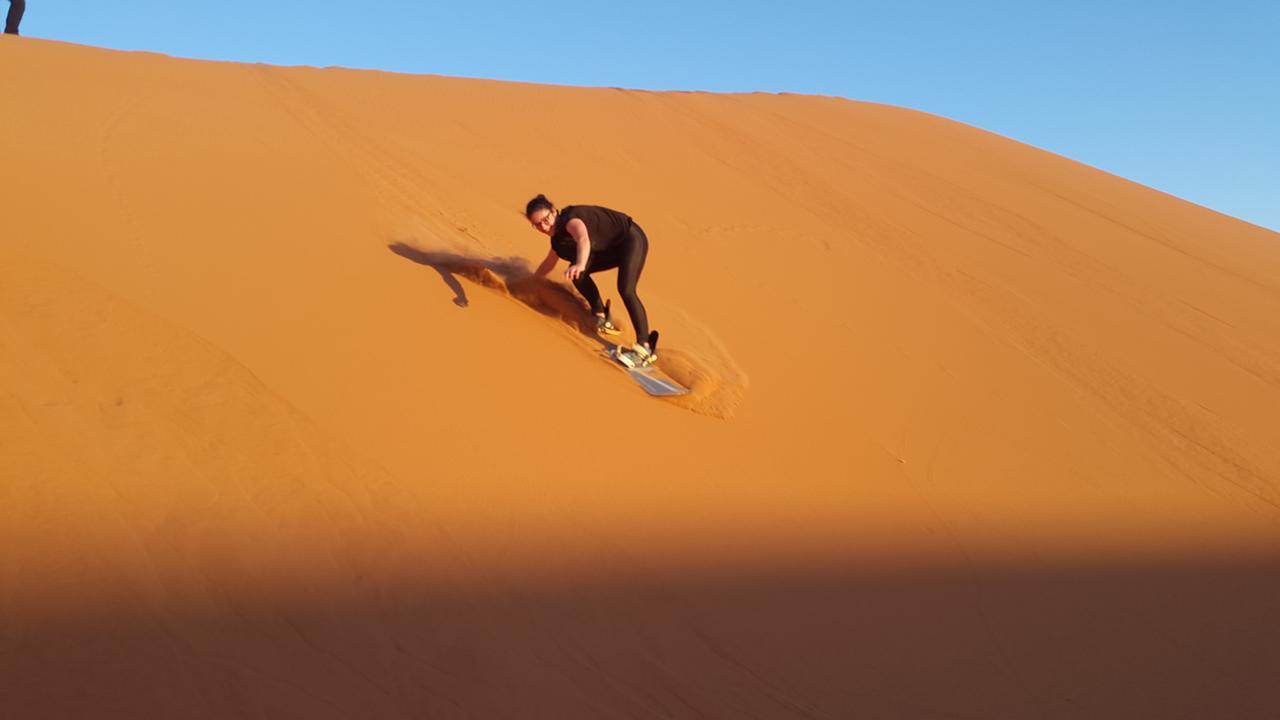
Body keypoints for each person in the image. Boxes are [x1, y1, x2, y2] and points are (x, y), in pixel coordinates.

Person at [525, 194, 658, 367]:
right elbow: (549, 263)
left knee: (626, 289)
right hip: (610, 248)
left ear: (553, 211)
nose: (544, 226)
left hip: (630, 240)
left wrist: (580, 263)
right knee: (577, 274)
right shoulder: (558, 241)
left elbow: (583, 239)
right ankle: (601, 314)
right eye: (537, 224)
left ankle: (644, 347)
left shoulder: (570, 220)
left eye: (546, 219)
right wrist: (530, 282)